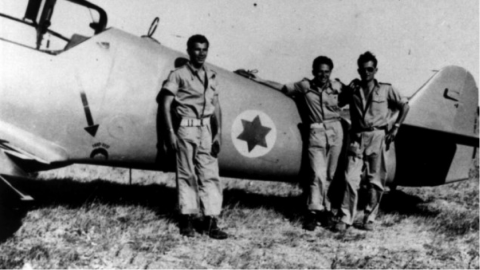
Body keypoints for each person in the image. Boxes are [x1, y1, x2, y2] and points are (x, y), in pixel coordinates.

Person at [249, 56, 348, 231]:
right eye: (319, 71)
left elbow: (352, 98)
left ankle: (325, 209)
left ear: (331, 72)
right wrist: (258, 80)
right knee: (317, 173)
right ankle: (312, 211)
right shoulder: (305, 86)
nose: (323, 75)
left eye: (326, 72)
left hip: (335, 131)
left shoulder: (337, 86)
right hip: (316, 131)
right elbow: (282, 87)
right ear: (313, 72)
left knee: (330, 175)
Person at [158, 34, 227, 239]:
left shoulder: (211, 75)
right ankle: (187, 219)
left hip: (206, 130)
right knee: (187, 174)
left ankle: (211, 221)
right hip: (186, 129)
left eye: (205, 49)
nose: (201, 53)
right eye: (197, 49)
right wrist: (170, 133)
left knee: (210, 175)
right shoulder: (178, 75)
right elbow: (165, 104)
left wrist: (218, 134)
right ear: (188, 51)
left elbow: (216, 108)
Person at [334, 51, 409, 232]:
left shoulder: (385, 89)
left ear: (375, 70)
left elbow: (404, 105)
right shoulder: (354, 89)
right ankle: (346, 218)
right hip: (357, 137)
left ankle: (370, 218)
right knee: (350, 179)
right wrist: (347, 91)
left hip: (378, 137)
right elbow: (339, 103)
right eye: (363, 69)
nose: (366, 72)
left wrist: (396, 127)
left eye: (370, 69)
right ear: (358, 70)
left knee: (375, 181)